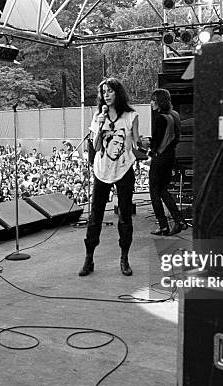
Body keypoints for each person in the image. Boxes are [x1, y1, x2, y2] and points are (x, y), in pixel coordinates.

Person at [80, 78, 140, 277]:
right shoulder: (98, 116)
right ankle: (89, 258)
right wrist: (99, 125)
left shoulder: (131, 116)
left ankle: (124, 258)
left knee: (124, 215)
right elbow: (96, 147)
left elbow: (137, 143)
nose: (106, 95)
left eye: (110, 91)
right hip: (101, 169)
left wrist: (144, 146)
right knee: (95, 215)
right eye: (103, 91)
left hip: (123, 169)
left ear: (118, 93)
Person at [148, 89, 186, 236]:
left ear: (159, 101)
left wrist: (145, 143)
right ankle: (179, 220)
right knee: (163, 190)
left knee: (154, 192)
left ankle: (163, 225)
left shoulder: (160, 118)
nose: (151, 103)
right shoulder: (175, 115)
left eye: (153, 100)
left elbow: (156, 143)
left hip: (160, 158)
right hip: (171, 156)